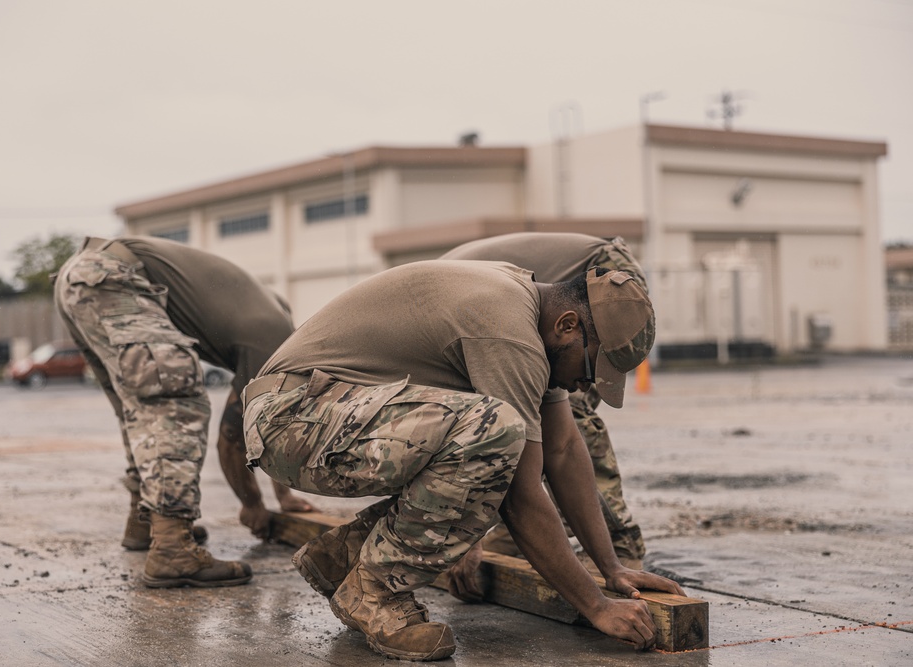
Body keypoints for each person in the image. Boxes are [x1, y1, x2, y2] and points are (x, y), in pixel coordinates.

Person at [242, 259, 684, 660]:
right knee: (493, 434)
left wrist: (611, 568)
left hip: (320, 413)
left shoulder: (532, 316)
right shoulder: (507, 329)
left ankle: (346, 555)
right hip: (290, 419)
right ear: (568, 325)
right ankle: (373, 592)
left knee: (491, 447)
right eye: (589, 369)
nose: (584, 384)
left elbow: (564, 451)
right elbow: (522, 497)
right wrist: (596, 607)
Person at [53, 236, 315, 589]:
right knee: (173, 399)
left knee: (141, 410)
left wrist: (283, 496)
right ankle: (173, 548)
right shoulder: (277, 346)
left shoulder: (265, 316)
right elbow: (234, 440)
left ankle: (144, 523)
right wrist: (252, 505)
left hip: (82, 278)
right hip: (113, 278)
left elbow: (263, 426)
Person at [439, 232, 647, 599]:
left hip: (602, 276)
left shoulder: (473, 313)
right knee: (530, 405)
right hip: (566, 300)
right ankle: (515, 535)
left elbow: (558, 444)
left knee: (569, 410)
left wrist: (461, 533)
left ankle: (622, 543)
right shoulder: (456, 315)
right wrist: (461, 533)